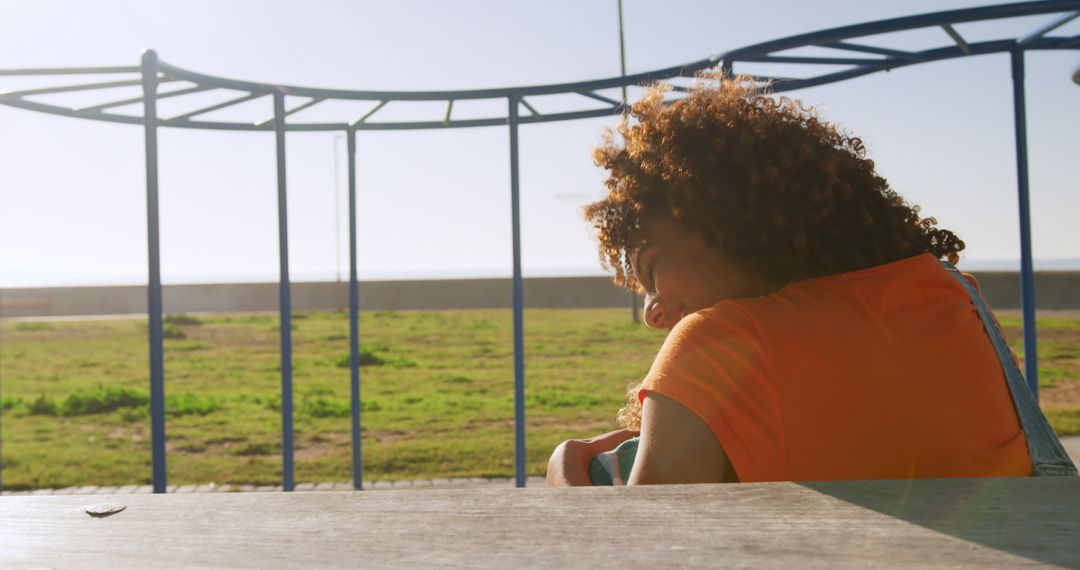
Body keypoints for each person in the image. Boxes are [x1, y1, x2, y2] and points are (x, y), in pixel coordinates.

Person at [546, 74, 1072, 487]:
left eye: (653, 267)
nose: (652, 311)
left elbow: (647, 549)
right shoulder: (956, 298)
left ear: (731, 222)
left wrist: (565, 472)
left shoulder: (717, 343)